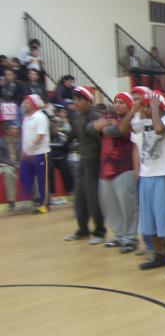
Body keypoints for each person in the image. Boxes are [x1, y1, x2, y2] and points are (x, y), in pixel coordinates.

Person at [120, 90, 165, 273]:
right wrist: (134, 109)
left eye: (149, 106)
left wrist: (154, 109)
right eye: (146, 106)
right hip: (145, 177)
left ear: (158, 106)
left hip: (163, 176)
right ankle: (159, 255)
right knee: (150, 222)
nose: (146, 109)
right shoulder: (142, 122)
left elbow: (158, 129)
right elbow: (123, 129)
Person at [92, 92, 139, 253]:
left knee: (128, 206)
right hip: (105, 168)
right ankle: (119, 236)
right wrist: (108, 124)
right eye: (116, 102)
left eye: (122, 102)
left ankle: (130, 238)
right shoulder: (110, 118)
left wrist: (109, 125)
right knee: (111, 206)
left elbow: (117, 131)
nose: (118, 105)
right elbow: (93, 127)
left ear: (129, 105)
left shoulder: (133, 121)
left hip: (124, 168)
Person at [64, 86, 106, 244]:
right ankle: (82, 229)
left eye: (78, 99)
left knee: (93, 197)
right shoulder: (76, 116)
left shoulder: (96, 116)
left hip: (94, 161)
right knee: (80, 196)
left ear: (88, 101)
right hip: (82, 160)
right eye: (74, 99)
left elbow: (103, 142)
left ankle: (99, 231)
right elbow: (73, 136)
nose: (75, 102)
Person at [19, 94, 51, 214]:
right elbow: (26, 136)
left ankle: (45, 205)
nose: (24, 105)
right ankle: (27, 201)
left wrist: (30, 148)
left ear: (33, 104)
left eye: (27, 103)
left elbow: (40, 135)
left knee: (43, 181)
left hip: (41, 153)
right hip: (28, 153)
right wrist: (24, 150)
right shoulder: (25, 118)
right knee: (24, 176)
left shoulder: (40, 117)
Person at [49, 114, 74, 205]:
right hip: (50, 159)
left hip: (61, 158)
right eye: (53, 128)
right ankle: (51, 194)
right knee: (50, 168)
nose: (55, 130)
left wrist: (64, 157)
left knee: (66, 166)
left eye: (56, 128)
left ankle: (71, 192)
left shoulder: (62, 136)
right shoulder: (46, 138)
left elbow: (67, 150)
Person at [0, 123, 21, 211]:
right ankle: (11, 201)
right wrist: (12, 163)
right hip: (5, 165)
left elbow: (21, 155)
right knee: (8, 172)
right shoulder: (1, 142)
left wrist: (19, 163)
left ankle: (37, 198)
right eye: (12, 129)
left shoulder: (19, 141)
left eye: (15, 129)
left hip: (17, 163)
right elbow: (1, 158)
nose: (15, 130)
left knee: (32, 169)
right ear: (7, 131)